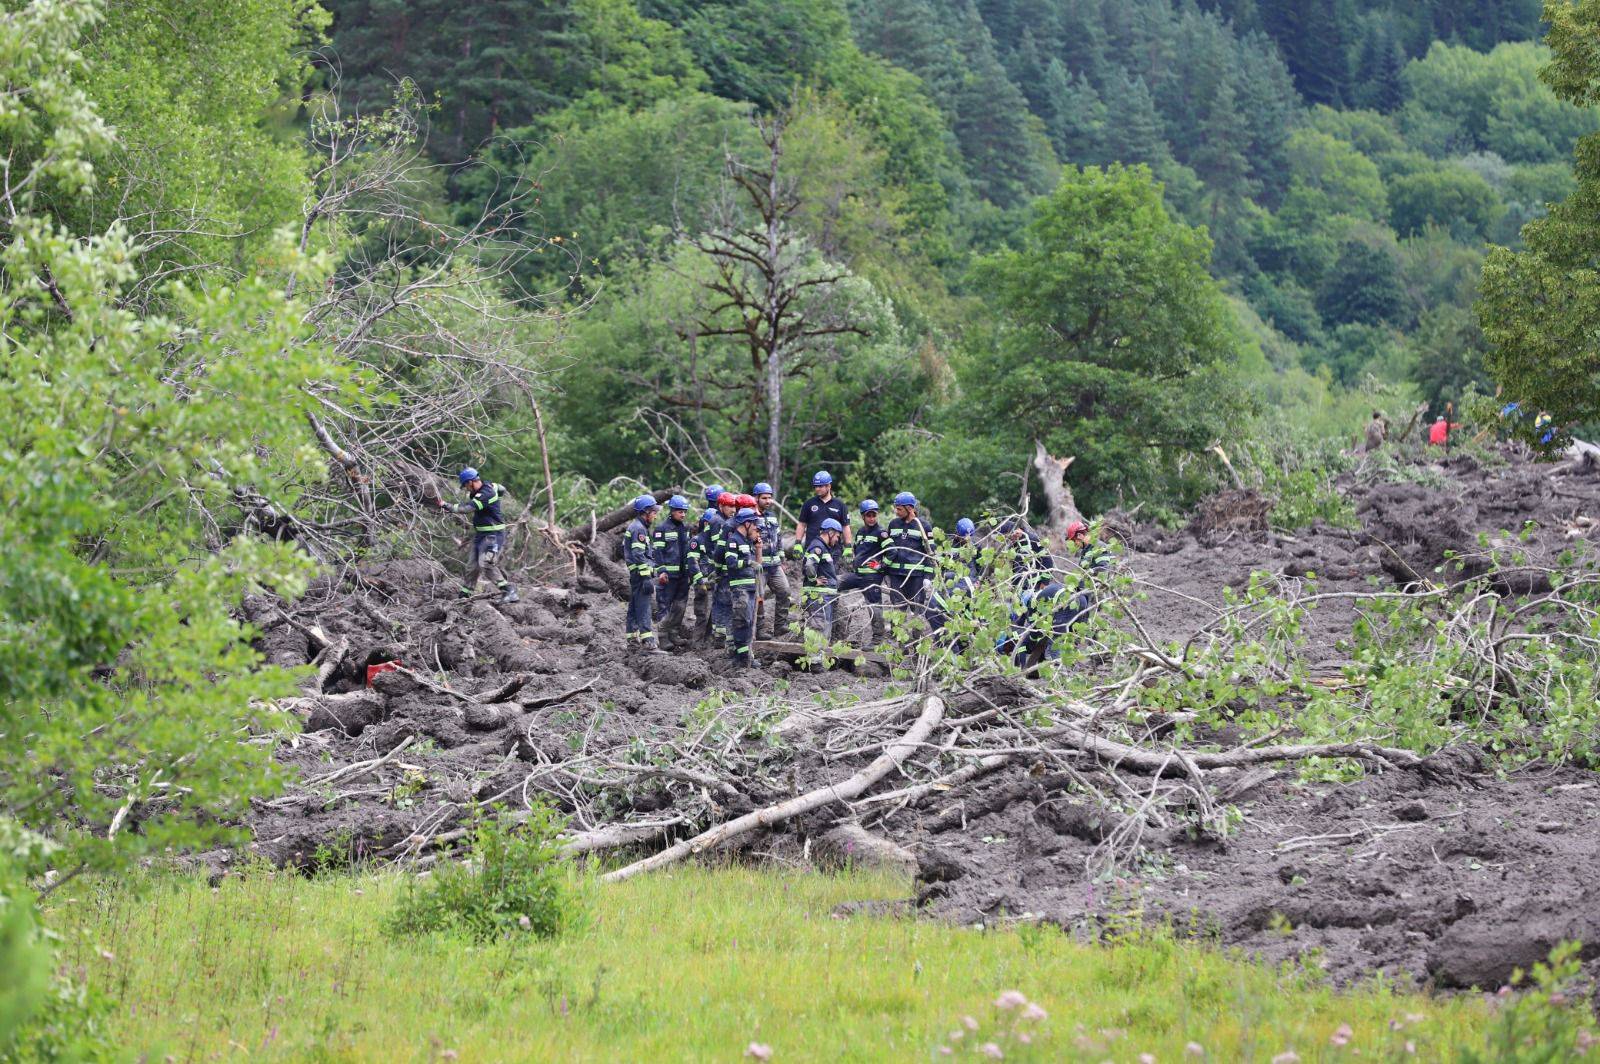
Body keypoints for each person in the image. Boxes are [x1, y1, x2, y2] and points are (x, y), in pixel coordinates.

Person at [438, 467, 518, 603]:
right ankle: (465, 596)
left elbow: (467, 508)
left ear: (470, 482)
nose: (466, 489)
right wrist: (497, 497)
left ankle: (509, 591)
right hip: (481, 535)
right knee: (472, 566)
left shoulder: (485, 494)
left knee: (487, 564)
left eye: (465, 486)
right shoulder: (488, 488)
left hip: (494, 535)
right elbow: (501, 488)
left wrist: (447, 506)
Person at [838, 499, 890, 646]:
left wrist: (881, 566)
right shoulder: (860, 532)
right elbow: (858, 550)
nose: (872, 518)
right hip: (858, 574)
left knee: (874, 606)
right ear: (863, 516)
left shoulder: (882, 533)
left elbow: (892, 552)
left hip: (872, 577)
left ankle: (878, 640)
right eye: (868, 515)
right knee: (833, 583)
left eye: (874, 515)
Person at [719, 507, 763, 669]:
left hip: (750, 587)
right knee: (741, 621)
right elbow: (730, 562)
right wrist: (747, 562)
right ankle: (741, 657)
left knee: (749, 622)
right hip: (740, 588)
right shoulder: (733, 541)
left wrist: (758, 549)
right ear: (746, 523)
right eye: (754, 525)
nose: (756, 529)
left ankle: (747, 656)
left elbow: (758, 565)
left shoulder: (748, 542)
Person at [751, 482, 793, 640]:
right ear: (756, 498)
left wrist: (782, 558)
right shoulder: (750, 518)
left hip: (775, 565)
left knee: (785, 591)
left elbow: (779, 539)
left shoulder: (772, 517)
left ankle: (780, 626)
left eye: (770, 498)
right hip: (760, 566)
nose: (768, 501)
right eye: (764, 498)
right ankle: (759, 630)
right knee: (759, 598)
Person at [652, 495, 693, 649]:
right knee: (665, 606)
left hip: (683, 576)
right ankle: (663, 637)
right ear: (672, 511)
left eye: (684, 512)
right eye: (680, 511)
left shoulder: (685, 528)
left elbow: (688, 550)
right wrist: (661, 571)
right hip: (668, 577)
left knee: (680, 607)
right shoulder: (661, 529)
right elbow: (657, 552)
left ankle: (674, 633)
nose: (683, 514)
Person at [883, 491, 934, 618]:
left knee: (917, 610)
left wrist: (928, 576)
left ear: (910, 508)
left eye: (899, 509)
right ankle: (898, 637)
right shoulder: (893, 524)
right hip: (896, 576)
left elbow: (930, 553)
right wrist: (886, 573)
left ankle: (919, 636)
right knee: (897, 609)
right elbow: (888, 549)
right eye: (896, 508)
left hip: (916, 576)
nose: (896, 511)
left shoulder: (924, 526)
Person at [622, 495, 662, 652]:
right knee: (644, 607)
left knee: (634, 606)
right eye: (653, 512)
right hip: (640, 574)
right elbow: (638, 554)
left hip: (636, 574)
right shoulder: (638, 529)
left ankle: (632, 640)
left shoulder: (637, 527)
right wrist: (646, 576)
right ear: (645, 512)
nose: (655, 515)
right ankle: (648, 642)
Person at [801, 517, 844, 651]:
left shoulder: (823, 547)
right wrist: (814, 580)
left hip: (825, 595)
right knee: (818, 626)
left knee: (824, 626)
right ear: (830, 533)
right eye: (837, 536)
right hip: (819, 595)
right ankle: (815, 661)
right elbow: (809, 565)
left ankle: (821, 657)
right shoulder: (818, 546)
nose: (837, 540)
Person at [795, 470, 851, 557]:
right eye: (816, 486)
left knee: (832, 571)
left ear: (829, 486)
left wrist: (848, 546)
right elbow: (802, 524)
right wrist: (797, 543)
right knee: (810, 570)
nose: (817, 489)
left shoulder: (840, 505)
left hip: (834, 550)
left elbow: (845, 526)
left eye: (820, 486)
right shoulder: (809, 504)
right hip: (812, 548)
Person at [709, 490, 740, 644]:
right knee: (723, 599)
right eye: (729, 506)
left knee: (720, 599)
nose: (733, 510)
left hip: (720, 565)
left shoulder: (722, 520)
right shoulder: (718, 522)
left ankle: (718, 632)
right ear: (721, 506)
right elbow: (718, 548)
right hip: (719, 566)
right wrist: (720, 568)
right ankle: (720, 634)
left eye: (734, 506)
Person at [688, 507, 721, 646]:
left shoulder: (716, 542)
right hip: (702, 582)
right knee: (702, 613)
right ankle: (696, 643)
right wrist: (700, 580)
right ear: (707, 524)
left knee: (715, 612)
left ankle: (708, 640)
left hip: (714, 581)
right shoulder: (696, 541)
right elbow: (692, 562)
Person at [996, 517, 1054, 591]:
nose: (1008, 539)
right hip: (1020, 584)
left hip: (1035, 585)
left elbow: (1048, 560)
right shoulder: (1014, 544)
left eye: (1008, 536)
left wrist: (1045, 583)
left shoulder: (1032, 539)